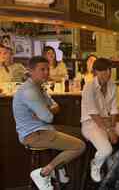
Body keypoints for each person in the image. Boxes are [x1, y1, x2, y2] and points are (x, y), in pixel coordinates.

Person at [12, 56, 85, 190]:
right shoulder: (30, 91)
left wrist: (45, 110)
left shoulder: (38, 87)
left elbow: (55, 106)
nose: (46, 72)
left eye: (47, 69)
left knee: (79, 133)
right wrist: (46, 112)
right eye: (42, 69)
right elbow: (49, 117)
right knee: (79, 146)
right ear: (31, 71)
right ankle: (44, 172)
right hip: (33, 135)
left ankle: (59, 168)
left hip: (44, 129)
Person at [81, 58, 119, 182]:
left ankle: (116, 160)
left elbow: (114, 110)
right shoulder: (89, 86)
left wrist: (112, 127)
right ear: (96, 72)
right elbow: (93, 114)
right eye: (103, 71)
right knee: (106, 149)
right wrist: (110, 131)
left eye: (109, 70)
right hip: (90, 123)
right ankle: (95, 164)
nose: (107, 73)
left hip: (107, 121)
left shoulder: (113, 86)